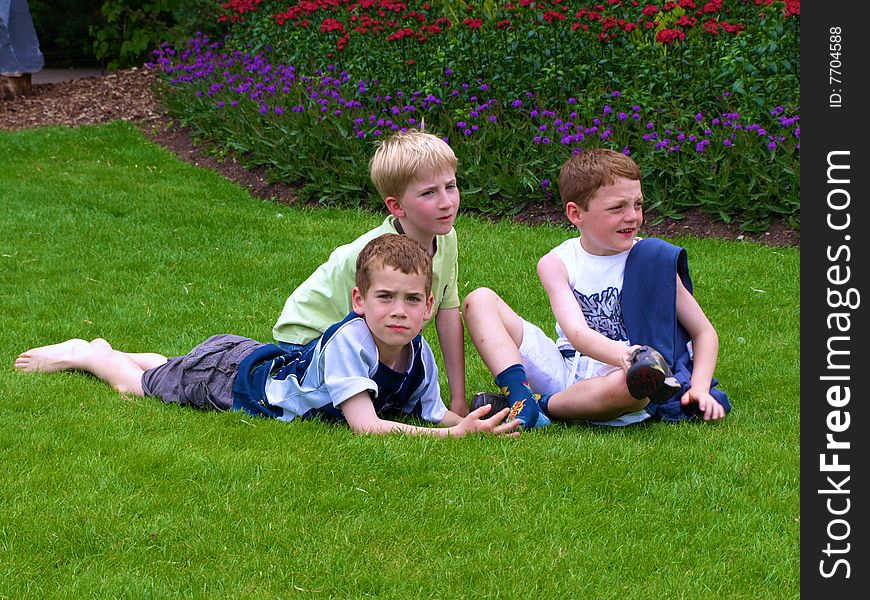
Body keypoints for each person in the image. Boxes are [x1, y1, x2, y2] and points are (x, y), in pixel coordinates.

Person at [15, 234, 519, 438]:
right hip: (235, 380)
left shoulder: (420, 356)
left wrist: (478, 423)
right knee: (135, 389)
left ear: (430, 308)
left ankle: (145, 357)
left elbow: (434, 414)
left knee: (170, 367)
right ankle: (92, 353)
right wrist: (453, 437)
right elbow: (366, 425)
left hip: (243, 360)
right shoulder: (351, 343)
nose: (398, 311)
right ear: (358, 302)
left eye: (412, 301)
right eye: (385, 297)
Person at [463, 148, 730, 428]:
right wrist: (621, 353)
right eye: (617, 208)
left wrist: (699, 387)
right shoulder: (558, 262)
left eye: (637, 205)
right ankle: (521, 394)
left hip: (619, 376)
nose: (632, 216)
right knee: (479, 300)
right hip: (564, 365)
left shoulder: (653, 261)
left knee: (640, 386)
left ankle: (537, 405)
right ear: (576, 213)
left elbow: (704, 332)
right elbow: (577, 334)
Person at [272, 129, 469, 415]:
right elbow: (357, 329)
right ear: (396, 206)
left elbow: (447, 314)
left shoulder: (446, 238)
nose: (446, 202)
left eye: (450, 186)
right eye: (429, 192)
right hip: (307, 341)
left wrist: (458, 400)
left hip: (367, 338)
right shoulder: (374, 253)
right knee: (378, 404)